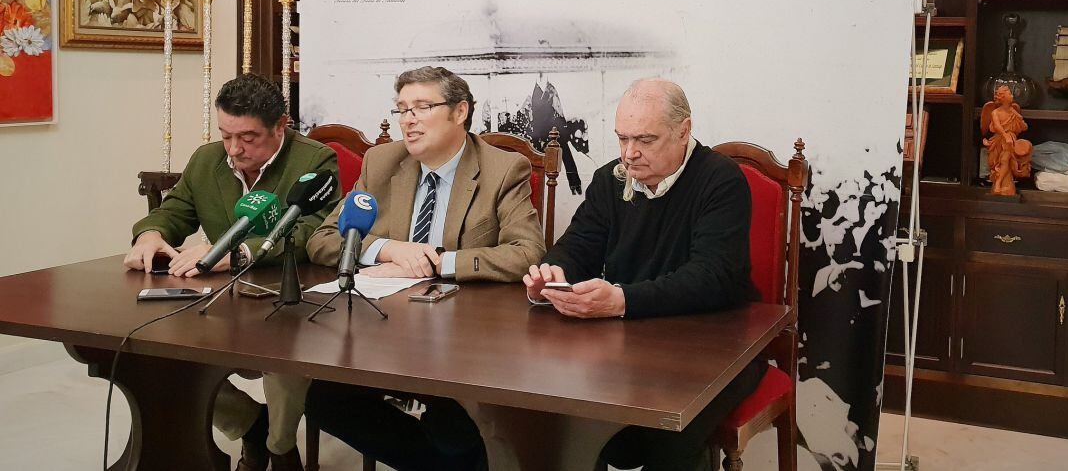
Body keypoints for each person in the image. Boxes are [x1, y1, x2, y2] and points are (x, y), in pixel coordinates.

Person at [305, 66, 546, 471]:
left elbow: (527, 253)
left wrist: (435, 262)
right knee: (324, 399)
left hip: (466, 340)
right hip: (382, 329)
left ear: (459, 112)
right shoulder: (382, 162)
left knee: (455, 432)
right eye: (401, 109)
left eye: (422, 107)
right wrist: (387, 250)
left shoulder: (503, 169)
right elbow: (324, 239)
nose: (408, 120)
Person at [522, 78, 765, 471]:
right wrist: (552, 273)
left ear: (684, 131)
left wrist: (622, 299)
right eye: (622, 138)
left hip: (720, 348)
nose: (629, 154)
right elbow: (578, 246)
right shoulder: (610, 179)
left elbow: (712, 277)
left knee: (669, 437)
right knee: (566, 416)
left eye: (645, 140)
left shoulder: (720, 181)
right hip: (633, 343)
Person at [124, 73, 339, 471]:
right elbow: (176, 211)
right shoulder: (207, 159)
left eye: (248, 138)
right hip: (219, 294)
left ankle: (279, 447)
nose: (234, 149)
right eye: (226, 135)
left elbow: (313, 231)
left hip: (287, 293)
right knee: (155, 352)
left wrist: (238, 251)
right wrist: (151, 234)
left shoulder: (314, 161)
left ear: (280, 126)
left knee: (285, 357)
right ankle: (249, 423)